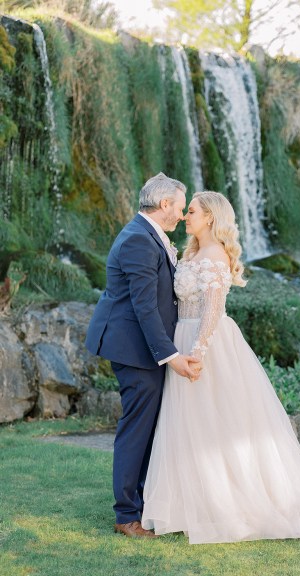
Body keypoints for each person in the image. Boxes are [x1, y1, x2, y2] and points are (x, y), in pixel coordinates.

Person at [142, 190, 300, 545]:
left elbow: (214, 309)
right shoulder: (191, 253)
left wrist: (198, 351)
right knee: (190, 423)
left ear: (211, 218)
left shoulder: (215, 255)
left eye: (192, 211)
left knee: (215, 422)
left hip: (206, 342)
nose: (186, 216)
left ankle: (224, 501)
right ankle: (193, 502)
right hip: (181, 339)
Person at [85, 173, 201, 538]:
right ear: (164, 204)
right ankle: (126, 516)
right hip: (135, 350)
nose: (183, 215)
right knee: (136, 430)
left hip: (143, 347)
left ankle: (143, 503)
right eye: (180, 208)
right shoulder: (138, 239)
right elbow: (144, 307)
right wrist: (171, 355)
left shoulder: (149, 235)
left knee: (148, 427)